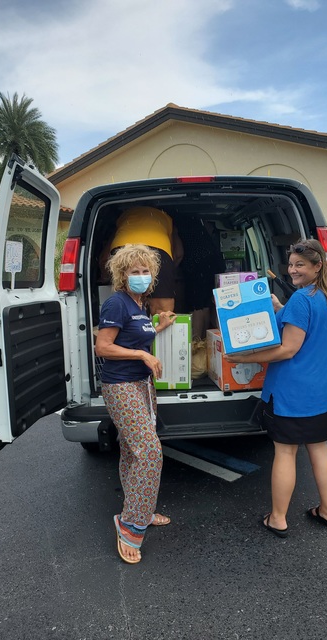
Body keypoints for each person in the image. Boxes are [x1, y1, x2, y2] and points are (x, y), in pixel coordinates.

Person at [225, 239, 327, 537]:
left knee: (286, 453)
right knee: (319, 448)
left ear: (318, 266)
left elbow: (288, 348)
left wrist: (242, 357)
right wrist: (280, 307)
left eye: (300, 265)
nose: (292, 270)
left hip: (292, 392)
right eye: (290, 264)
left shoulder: (301, 299)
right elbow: (307, 328)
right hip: (321, 392)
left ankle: (278, 518)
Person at [95, 244, 176, 564]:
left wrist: (158, 327)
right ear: (122, 274)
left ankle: (139, 506)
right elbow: (103, 347)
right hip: (121, 387)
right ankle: (130, 524)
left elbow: (134, 336)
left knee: (132, 451)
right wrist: (143, 354)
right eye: (134, 271)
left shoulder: (138, 304)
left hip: (142, 385)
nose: (141, 276)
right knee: (150, 451)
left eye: (145, 271)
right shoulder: (117, 303)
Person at [101, 206, 183, 316]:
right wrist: (168, 273)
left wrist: (106, 277)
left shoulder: (124, 217)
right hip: (158, 250)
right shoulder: (166, 219)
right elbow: (178, 254)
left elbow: (104, 258)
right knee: (162, 313)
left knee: (123, 304)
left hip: (123, 248)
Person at [174, 216, 226, 339]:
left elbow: (179, 254)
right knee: (205, 304)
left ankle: (196, 341)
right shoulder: (198, 222)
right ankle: (205, 339)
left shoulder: (175, 225)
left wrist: (172, 269)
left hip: (196, 265)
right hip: (213, 263)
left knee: (195, 305)